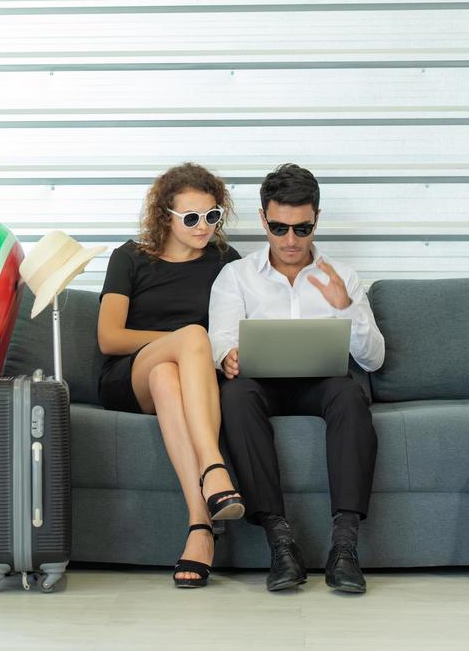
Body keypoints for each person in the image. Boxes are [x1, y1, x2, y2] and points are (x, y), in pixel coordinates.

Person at [208, 163, 385, 594]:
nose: (290, 241)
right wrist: (227, 357)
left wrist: (346, 308)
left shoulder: (342, 278)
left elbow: (374, 359)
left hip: (321, 384)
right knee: (235, 395)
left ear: (316, 220)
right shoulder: (237, 276)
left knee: (350, 392)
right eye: (280, 228)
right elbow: (222, 340)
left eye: (302, 229)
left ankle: (344, 547)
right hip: (259, 386)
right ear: (264, 219)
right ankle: (280, 544)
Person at [97, 162, 244, 588]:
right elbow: (109, 337)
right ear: (165, 217)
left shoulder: (225, 261)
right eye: (192, 218)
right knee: (184, 344)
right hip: (128, 375)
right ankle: (213, 467)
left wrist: (220, 353)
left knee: (168, 375)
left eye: (213, 216)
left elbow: (234, 326)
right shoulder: (130, 257)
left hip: (186, 380)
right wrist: (183, 341)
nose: (204, 227)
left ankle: (200, 527)